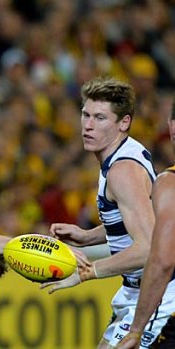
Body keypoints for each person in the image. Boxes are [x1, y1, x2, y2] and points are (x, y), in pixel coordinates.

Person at [41, 77, 175, 349]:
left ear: (123, 123)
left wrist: (89, 271)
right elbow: (143, 218)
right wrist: (88, 236)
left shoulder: (121, 171)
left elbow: (149, 247)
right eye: (85, 115)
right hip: (137, 290)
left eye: (100, 118)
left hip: (157, 294)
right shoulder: (125, 154)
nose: (88, 125)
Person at [117, 99, 175, 349]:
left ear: (172, 127)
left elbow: (162, 260)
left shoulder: (170, 184)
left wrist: (136, 328)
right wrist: (90, 237)